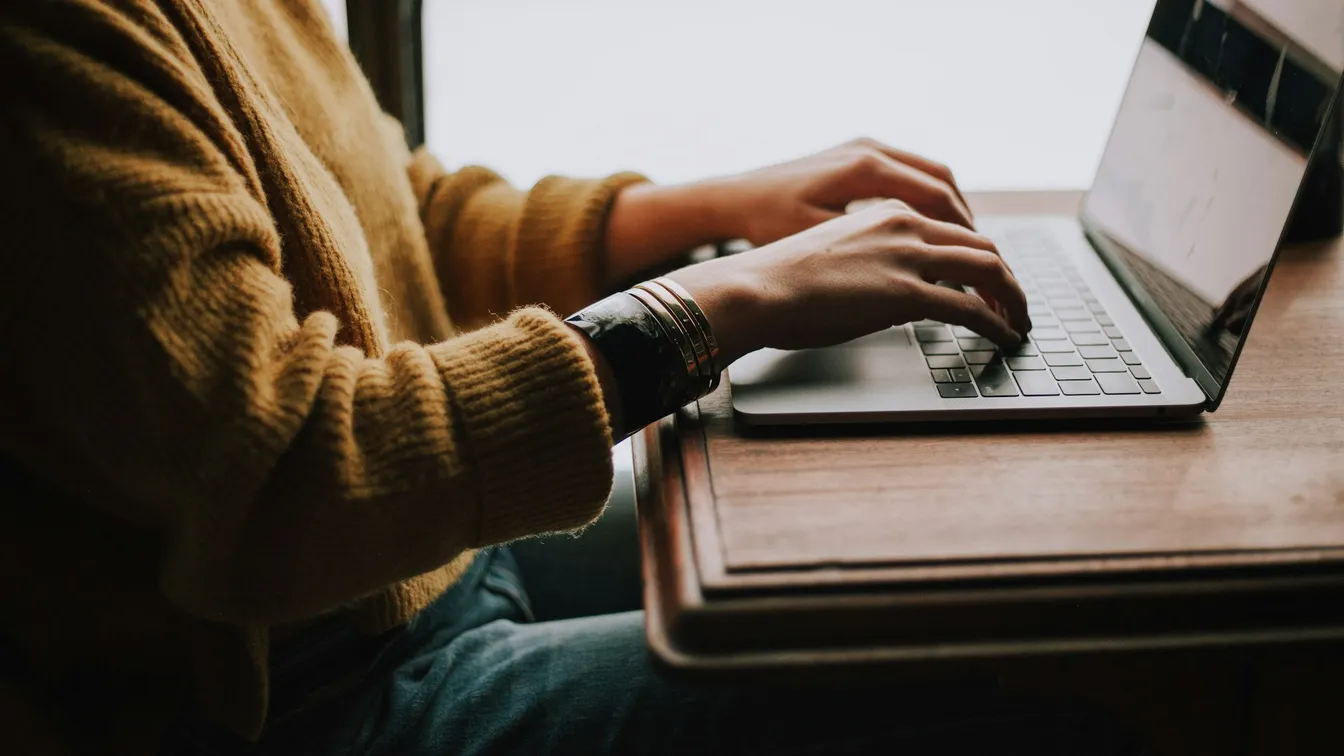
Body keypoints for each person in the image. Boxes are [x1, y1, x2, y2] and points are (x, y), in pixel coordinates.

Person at [0, 2, 1145, 754]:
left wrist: (716, 214)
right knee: (992, 681)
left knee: (934, 553)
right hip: (301, 694)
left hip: (429, 559)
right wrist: (725, 301)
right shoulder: (53, 42)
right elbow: (292, 474)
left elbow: (393, 213)